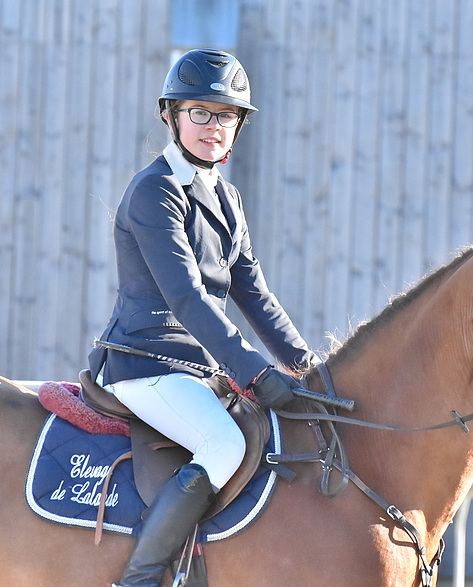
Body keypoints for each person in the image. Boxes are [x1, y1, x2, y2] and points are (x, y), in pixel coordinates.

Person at [88, 48, 318, 587]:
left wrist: (306, 365)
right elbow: (188, 298)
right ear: (171, 115)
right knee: (225, 444)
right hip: (146, 363)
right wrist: (256, 372)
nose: (215, 127)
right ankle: (140, 578)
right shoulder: (154, 192)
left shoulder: (227, 198)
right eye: (201, 112)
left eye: (227, 115)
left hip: (196, 370)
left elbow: (254, 293)